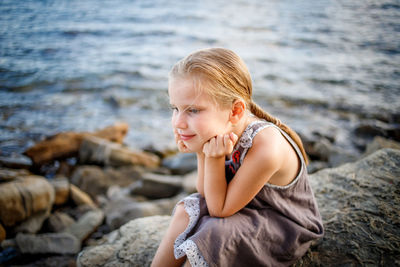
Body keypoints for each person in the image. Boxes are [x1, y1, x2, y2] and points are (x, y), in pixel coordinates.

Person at [151, 48, 324, 267]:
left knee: (214, 234)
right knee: (187, 209)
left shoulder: (266, 147)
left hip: (283, 226)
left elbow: (219, 210)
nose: (178, 122)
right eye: (175, 108)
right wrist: (201, 150)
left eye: (193, 110)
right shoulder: (222, 130)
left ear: (235, 111)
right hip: (246, 208)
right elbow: (206, 192)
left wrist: (212, 159)